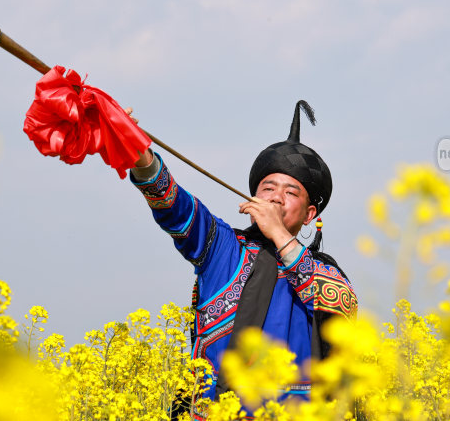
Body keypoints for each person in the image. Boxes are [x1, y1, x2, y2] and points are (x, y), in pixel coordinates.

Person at [128, 100, 357, 418]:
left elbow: (341, 309)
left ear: (309, 215)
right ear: (253, 198)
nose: (276, 197)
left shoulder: (322, 271)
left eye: (291, 192)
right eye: (268, 188)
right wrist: (139, 155)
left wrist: (279, 234)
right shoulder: (224, 246)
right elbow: (173, 206)